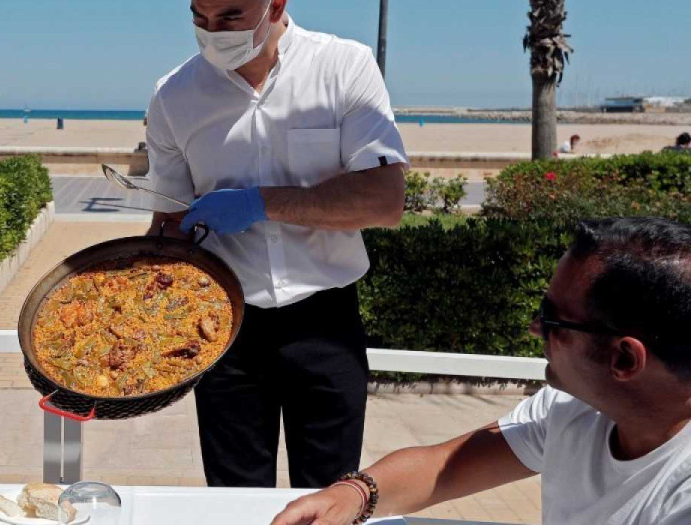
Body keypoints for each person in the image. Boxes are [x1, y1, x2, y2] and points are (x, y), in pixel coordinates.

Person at [272, 217, 691, 525]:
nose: (532, 328)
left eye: (550, 319)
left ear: (624, 360)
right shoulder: (573, 407)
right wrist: (354, 494)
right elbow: (446, 467)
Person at [145, 0, 408, 488]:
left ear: (276, 5)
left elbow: (385, 200)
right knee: (234, 499)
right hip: (224, 325)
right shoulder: (172, 95)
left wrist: (262, 203)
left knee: (331, 496)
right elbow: (171, 224)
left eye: (229, 17)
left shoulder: (342, 66)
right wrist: (137, 331)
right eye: (198, 17)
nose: (211, 32)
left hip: (325, 321)